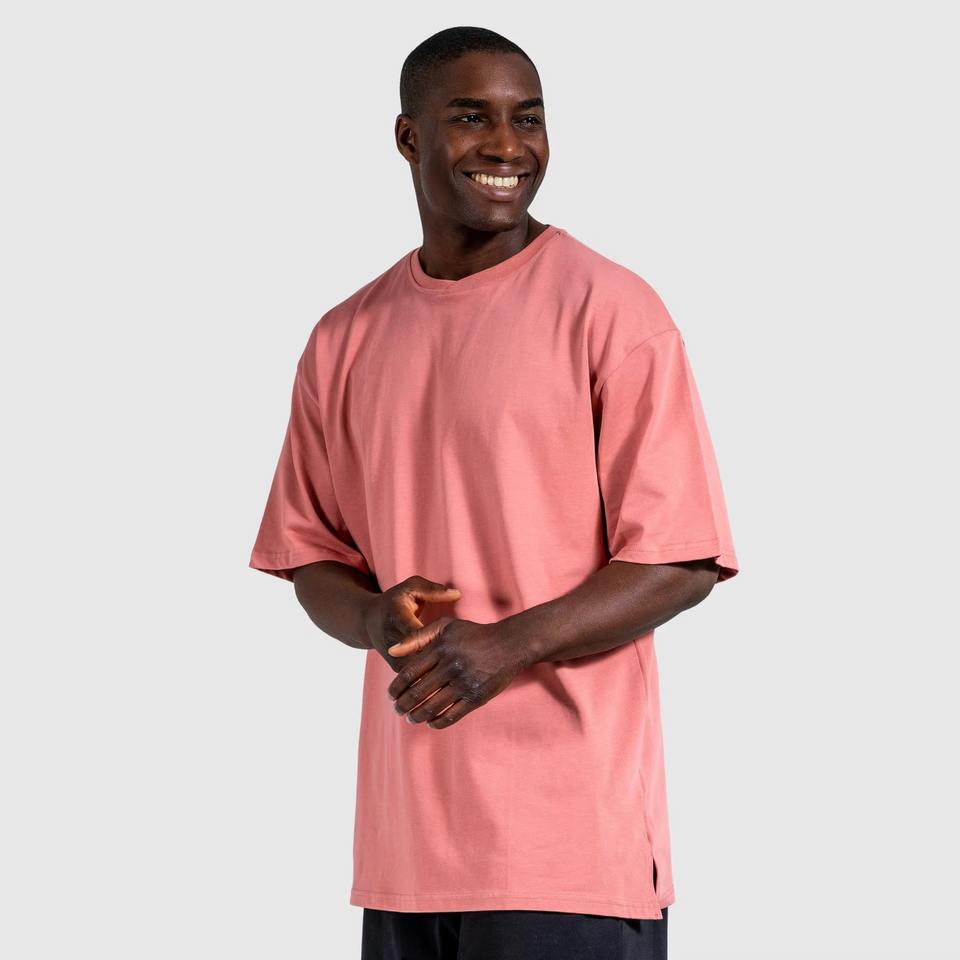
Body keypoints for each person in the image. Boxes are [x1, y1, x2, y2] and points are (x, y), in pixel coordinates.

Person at [248, 25, 739, 960]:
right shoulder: (343, 338)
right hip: (404, 853)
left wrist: (506, 646)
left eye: (529, 119)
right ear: (409, 137)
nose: (509, 146)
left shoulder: (611, 310)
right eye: (473, 118)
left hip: (570, 850)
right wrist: (372, 618)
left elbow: (680, 558)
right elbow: (310, 554)